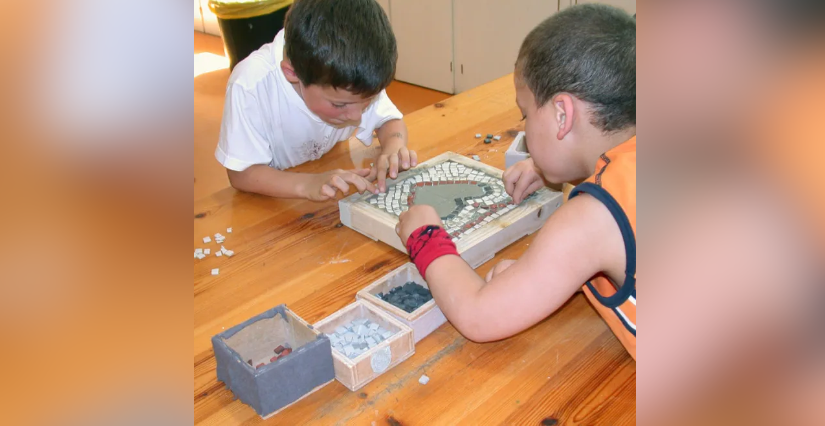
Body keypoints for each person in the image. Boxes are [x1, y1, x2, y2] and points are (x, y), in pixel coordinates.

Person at [395, 4, 637, 359]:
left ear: (561, 116)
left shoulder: (594, 219)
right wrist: (554, 166)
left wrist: (425, 237)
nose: (523, 127)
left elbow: (479, 316)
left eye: (524, 115)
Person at [215, 0, 416, 201]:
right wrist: (307, 184)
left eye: (368, 101)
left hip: (326, 174)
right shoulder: (250, 85)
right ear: (292, 73)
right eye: (339, 105)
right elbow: (240, 174)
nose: (356, 116)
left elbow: (390, 121)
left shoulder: (353, 79)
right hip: (273, 200)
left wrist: (393, 148)